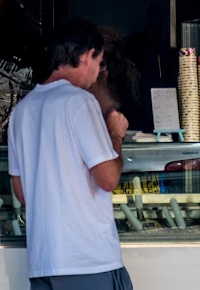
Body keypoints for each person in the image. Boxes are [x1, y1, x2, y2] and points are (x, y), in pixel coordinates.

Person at [8, 18, 133, 290]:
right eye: (99, 63)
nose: (98, 71)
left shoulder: (21, 111)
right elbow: (109, 178)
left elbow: (21, 192)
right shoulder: (79, 102)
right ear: (87, 56)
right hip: (87, 260)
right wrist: (115, 134)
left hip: (43, 261)